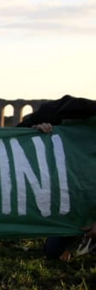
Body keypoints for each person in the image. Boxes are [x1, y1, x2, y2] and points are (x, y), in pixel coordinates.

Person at [17, 95, 96, 261]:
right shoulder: (57, 111)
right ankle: (82, 242)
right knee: (54, 251)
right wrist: (32, 131)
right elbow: (13, 137)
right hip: (72, 198)